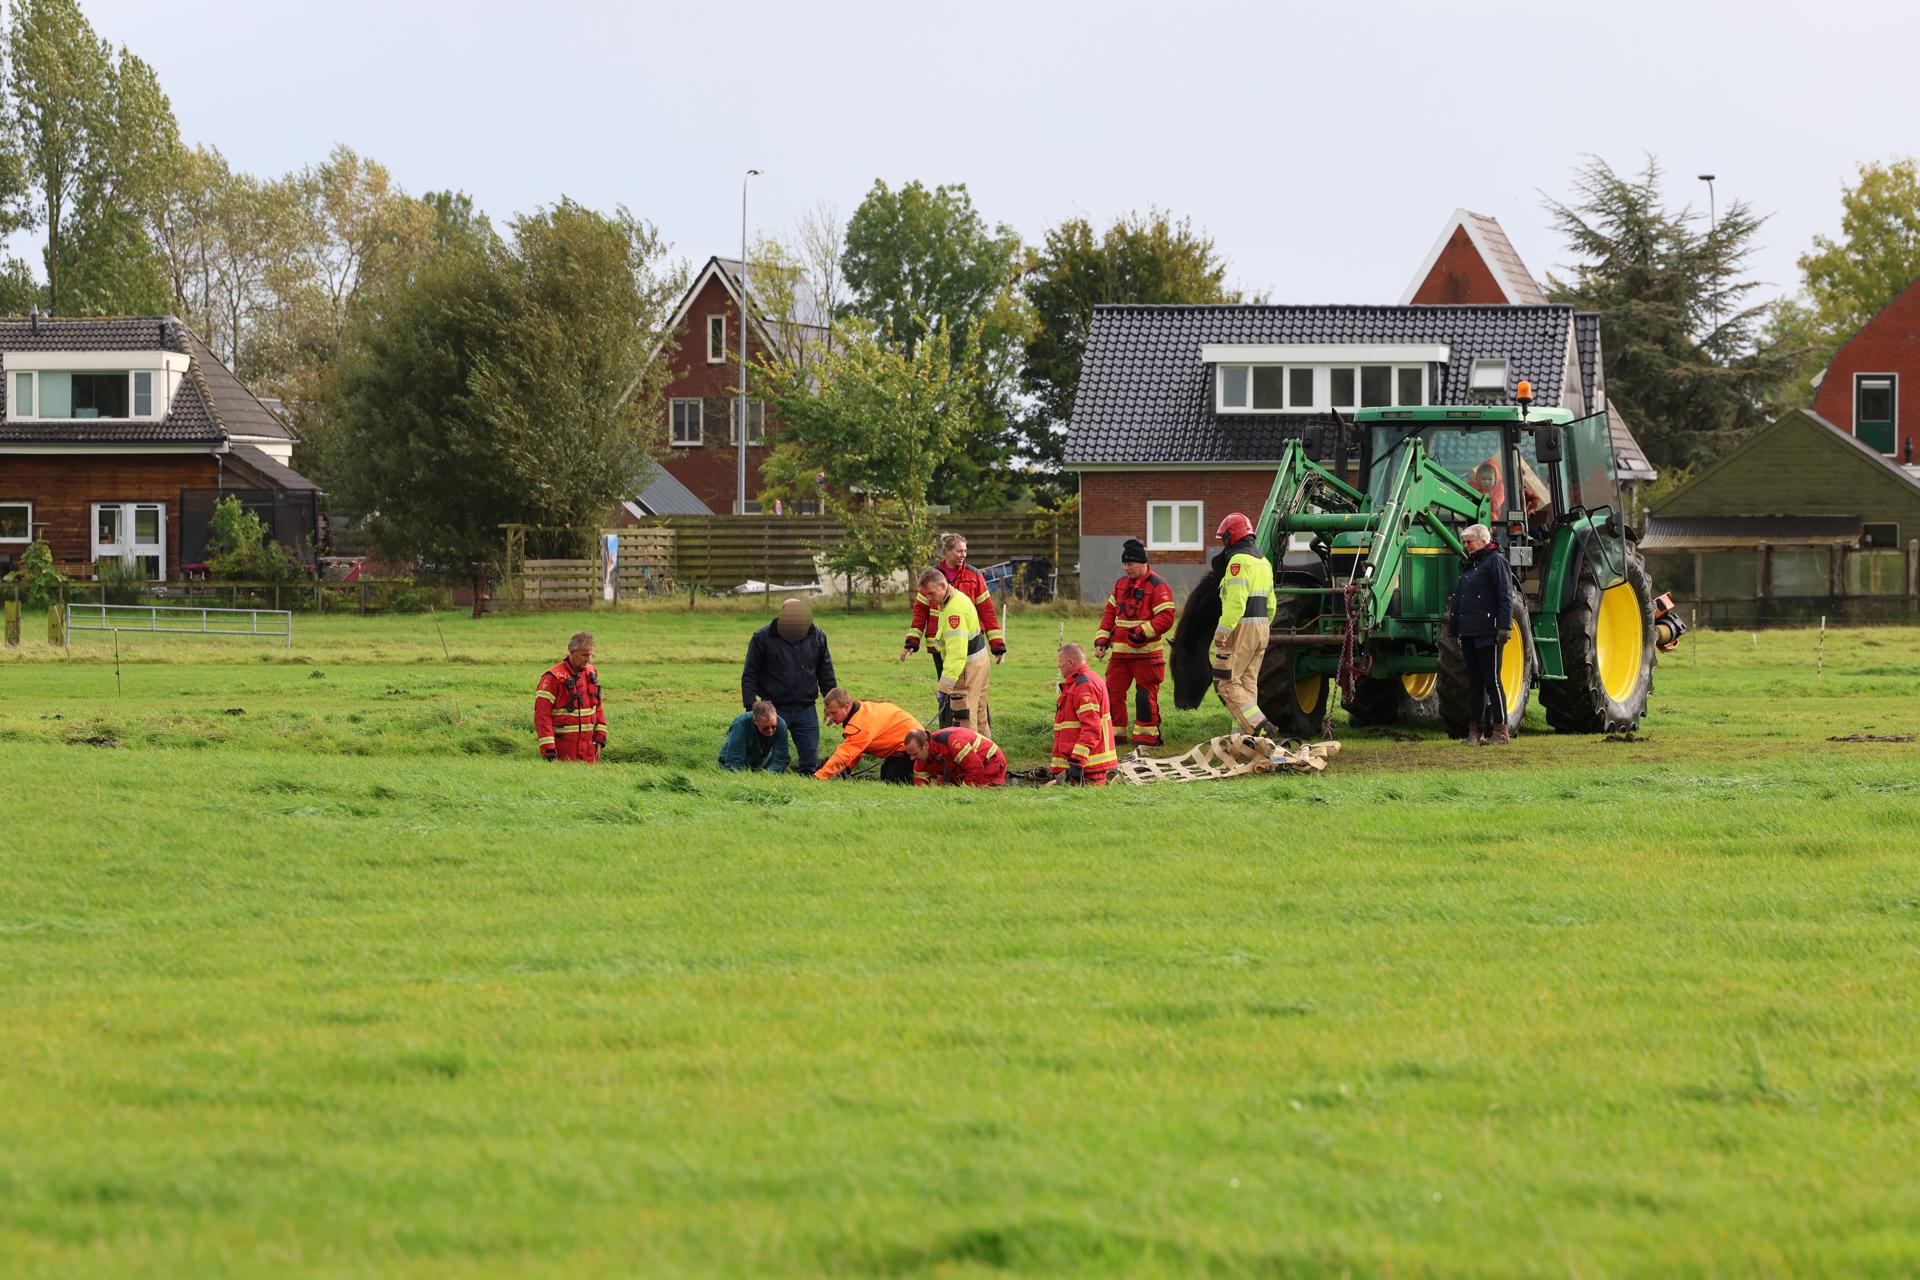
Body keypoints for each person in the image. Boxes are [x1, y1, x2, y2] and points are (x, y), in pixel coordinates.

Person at [900, 533, 1005, 727]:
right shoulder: (930, 578)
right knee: (950, 696)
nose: (963, 554)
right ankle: (947, 733)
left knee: (967, 699)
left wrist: (997, 645)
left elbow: (987, 612)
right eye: (959, 551)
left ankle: (962, 739)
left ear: (943, 587)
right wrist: (912, 641)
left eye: (965, 550)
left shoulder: (974, 576)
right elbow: (920, 613)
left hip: (968, 649)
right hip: (941, 649)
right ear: (946, 552)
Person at [1094, 537, 1176, 746]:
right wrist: (1101, 641)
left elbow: (1166, 617)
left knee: (1144, 696)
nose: (1126, 568)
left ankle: (1147, 738)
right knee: (1112, 693)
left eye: (1130, 564)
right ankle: (1115, 736)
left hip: (1146, 656)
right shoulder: (1120, 584)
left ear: (1142, 563)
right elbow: (1109, 613)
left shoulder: (1158, 586)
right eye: (1124, 564)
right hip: (1120, 656)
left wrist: (1143, 631)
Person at [1210, 513, 1284, 741]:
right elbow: (1271, 603)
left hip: (1241, 627)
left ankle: (1258, 726)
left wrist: (1222, 631)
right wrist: (1262, 628)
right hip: (1262, 628)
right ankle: (1244, 740)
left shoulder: (1238, 562)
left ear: (1230, 537)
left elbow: (1235, 603)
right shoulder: (1263, 562)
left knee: (1224, 682)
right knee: (1246, 683)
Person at [741, 598, 836, 774]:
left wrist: (831, 703)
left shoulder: (816, 636)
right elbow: (750, 672)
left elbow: (825, 670)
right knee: (767, 760)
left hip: (806, 709)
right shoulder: (762, 637)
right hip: (774, 708)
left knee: (810, 762)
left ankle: (806, 792)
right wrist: (750, 705)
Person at [1446, 523, 1516, 746]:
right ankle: (1476, 731)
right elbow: (1460, 601)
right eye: (1464, 542)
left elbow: (1505, 596)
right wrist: (1456, 630)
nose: (1465, 546)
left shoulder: (1496, 561)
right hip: (1469, 633)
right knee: (1474, 683)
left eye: (1469, 542)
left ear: (1483, 540)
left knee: (1492, 681)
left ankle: (1501, 730)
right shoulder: (1471, 565)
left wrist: (1504, 628)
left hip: (1489, 633)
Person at [916, 566, 993, 739]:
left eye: (930, 594)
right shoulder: (954, 600)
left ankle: (969, 762)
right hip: (979, 662)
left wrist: (944, 687)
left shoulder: (953, 611)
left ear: (943, 586)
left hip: (966, 669)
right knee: (980, 717)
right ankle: (988, 760)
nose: (928, 600)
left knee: (965, 720)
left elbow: (957, 654)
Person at [815, 688, 922, 782]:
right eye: (829, 713)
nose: (831, 717)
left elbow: (846, 753)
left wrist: (820, 776)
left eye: (834, 713)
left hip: (912, 746)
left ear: (846, 707)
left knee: (895, 782)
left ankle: (923, 780)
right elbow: (856, 750)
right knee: (886, 777)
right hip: (908, 742)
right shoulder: (859, 712)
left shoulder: (859, 724)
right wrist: (845, 769)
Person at [534, 630, 607, 762]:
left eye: (590, 655)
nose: (588, 659)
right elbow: (542, 716)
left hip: (589, 751)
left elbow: (598, 707)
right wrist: (549, 750)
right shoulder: (552, 678)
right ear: (572, 653)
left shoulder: (591, 672)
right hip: (563, 751)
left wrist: (600, 737)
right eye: (584, 655)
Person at [1051, 643, 1118, 786]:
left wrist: (1077, 761)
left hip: (1087, 768)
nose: (1058, 666)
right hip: (1083, 766)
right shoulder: (1080, 682)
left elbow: (1091, 728)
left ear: (1070, 662)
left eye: (1060, 662)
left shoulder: (1083, 686)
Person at [903, 726, 1007, 788]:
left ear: (926, 745)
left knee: (976, 796)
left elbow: (975, 769)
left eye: (915, 754)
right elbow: (920, 784)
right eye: (910, 755)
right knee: (944, 793)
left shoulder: (953, 742)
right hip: (964, 767)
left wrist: (964, 793)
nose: (912, 759)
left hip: (991, 762)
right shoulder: (922, 755)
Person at [718, 699, 791, 773]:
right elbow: (734, 760)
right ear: (755, 722)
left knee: (786, 754)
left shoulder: (781, 724)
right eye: (765, 728)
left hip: (761, 760)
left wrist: (768, 775)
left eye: (774, 726)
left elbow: (781, 757)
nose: (770, 730)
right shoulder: (740, 725)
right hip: (733, 758)